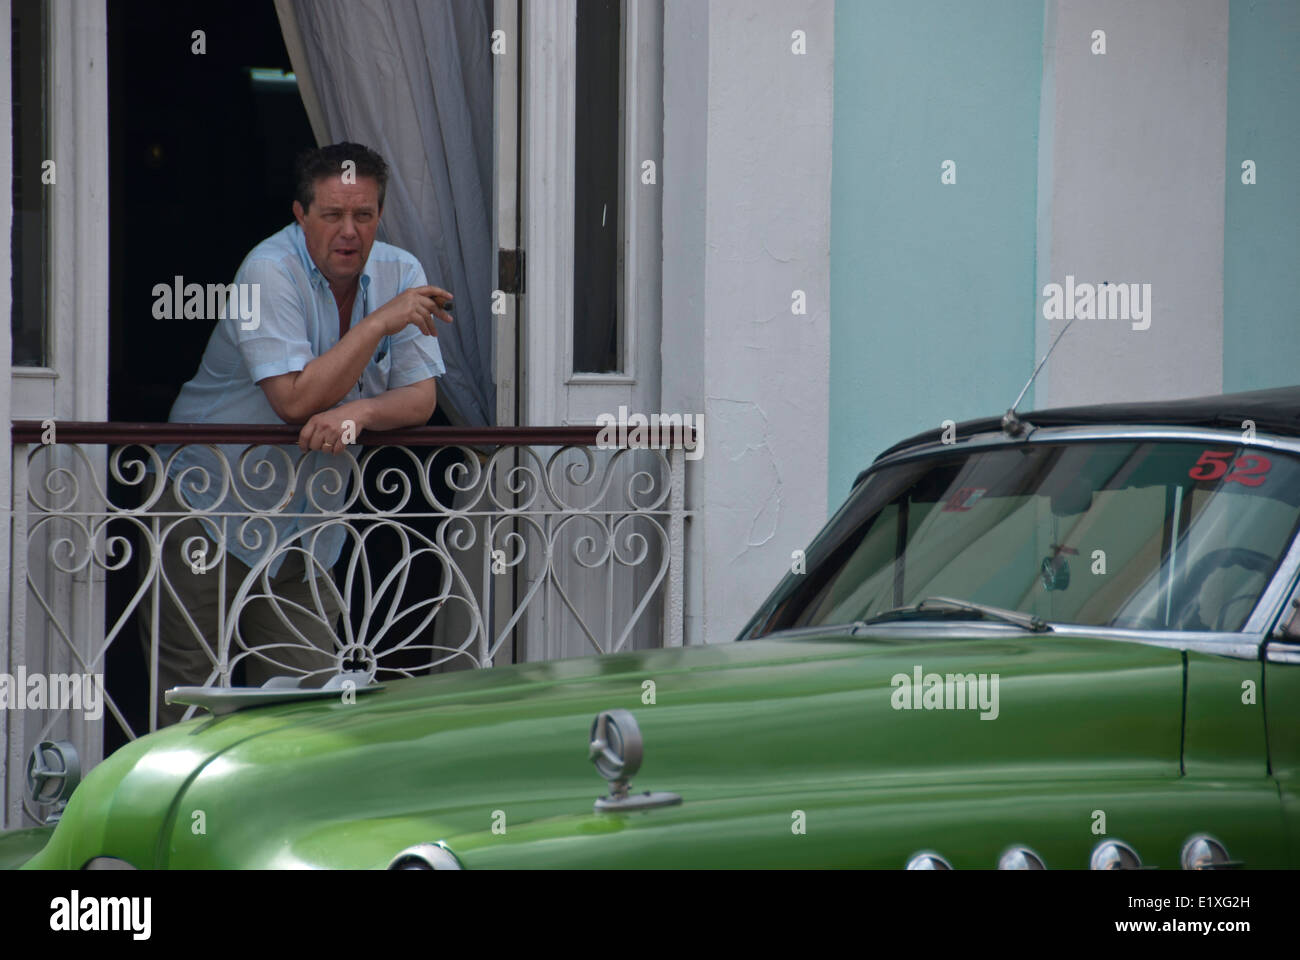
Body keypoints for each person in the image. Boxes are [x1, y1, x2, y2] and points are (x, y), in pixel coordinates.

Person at [139, 142, 453, 726]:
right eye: (332, 215)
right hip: (206, 506)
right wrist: (382, 320)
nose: (349, 232)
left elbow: (421, 398)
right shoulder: (267, 270)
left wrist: (358, 415)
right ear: (300, 215)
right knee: (187, 705)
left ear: (380, 217)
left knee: (305, 707)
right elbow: (294, 400)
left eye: (363, 215)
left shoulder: (401, 272)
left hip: (306, 532)